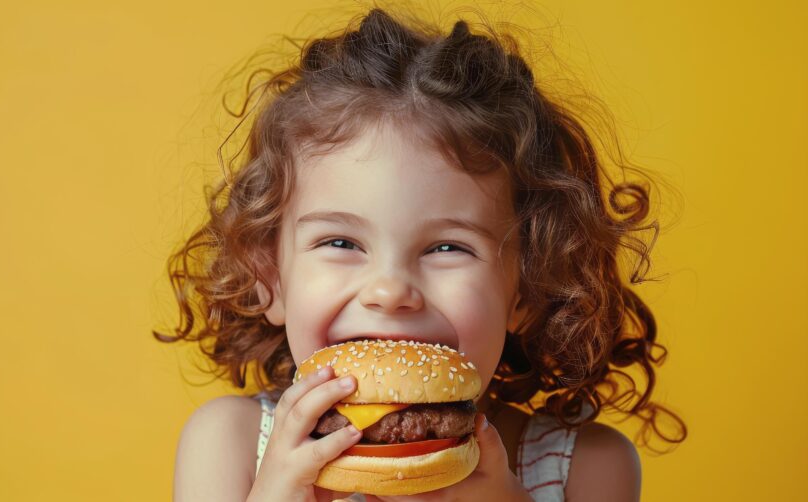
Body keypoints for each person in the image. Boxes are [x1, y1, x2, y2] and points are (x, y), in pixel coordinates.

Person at [155, 7, 686, 501]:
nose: (389, 291)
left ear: (527, 288)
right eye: (341, 243)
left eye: (448, 247)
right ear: (269, 277)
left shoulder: (587, 467)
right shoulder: (229, 446)